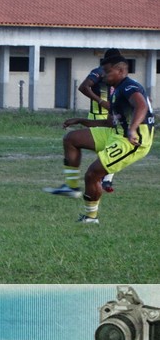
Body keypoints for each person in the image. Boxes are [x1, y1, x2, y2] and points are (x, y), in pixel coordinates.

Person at [43, 54, 154, 224]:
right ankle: (71, 187)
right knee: (72, 139)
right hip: (115, 132)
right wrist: (82, 121)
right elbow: (110, 122)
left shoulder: (129, 86)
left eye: (107, 71)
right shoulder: (116, 89)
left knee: (92, 174)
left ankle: (91, 218)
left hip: (132, 140)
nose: (103, 75)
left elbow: (141, 106)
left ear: (121, 70)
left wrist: (132, 130)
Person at [77, 48, 121, 193]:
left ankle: (106, 180)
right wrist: (101, 102)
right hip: (97, 116)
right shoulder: (99, 72)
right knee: (106, 150)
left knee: (114, 148)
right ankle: (102, 179)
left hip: (112, 117)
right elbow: (83, 87)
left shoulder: (118, 75)